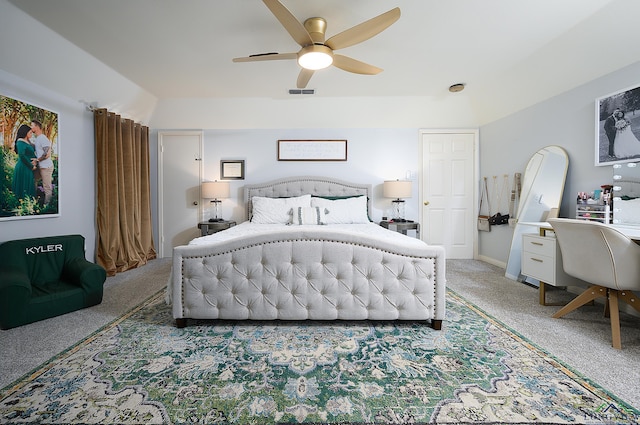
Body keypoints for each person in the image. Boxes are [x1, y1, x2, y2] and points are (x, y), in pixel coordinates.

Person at [12, 124, 37, 201]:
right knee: (24, 185)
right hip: (24, 167)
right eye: (30, 132)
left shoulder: (27, 142)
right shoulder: (20, 142)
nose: (31, 134)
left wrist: (35, 161)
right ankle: (23, 204)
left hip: (27, 167)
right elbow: (22, 155)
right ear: (25, 132)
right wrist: (31, 166)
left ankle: (27, 203)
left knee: (27, 185)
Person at [30, 120, 54, 205]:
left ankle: (47, 207)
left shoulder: (43, 138)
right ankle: (33, 202)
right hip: (40, 167)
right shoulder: (37, 139)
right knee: (33, 182)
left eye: (32, 125)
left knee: (47, 187)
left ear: (36, 127)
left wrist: (37, 160)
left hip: (46, 167)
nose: (31, 127)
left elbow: (47, 154)